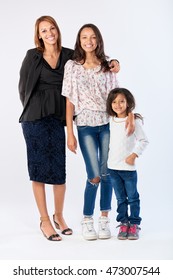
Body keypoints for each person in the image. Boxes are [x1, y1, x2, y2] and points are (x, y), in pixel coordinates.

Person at [18, 16, 120, 241]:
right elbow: (23, 87)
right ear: (39, 35)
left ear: (57, 30)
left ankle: (59, 216)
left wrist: (115, 63)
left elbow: (91, 58)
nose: (49, 33)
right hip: (35, 118)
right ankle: (45, 220)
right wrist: (33, 109)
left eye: (52, 28)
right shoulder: (32, 56)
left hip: (57, 118)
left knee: (58, 170)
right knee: (38, 170)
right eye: (44, 31)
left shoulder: (67, 56)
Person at [62, 23, 134, 240]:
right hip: (84, 125)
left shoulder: (106, 65)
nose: (89, 41)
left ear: (98, 40)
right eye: (84, 37)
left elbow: (117, 96)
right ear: (79, 40)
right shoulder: (72, 66)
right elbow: (69, 100)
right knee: (93, 175)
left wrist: (129, 115)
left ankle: (104, 219)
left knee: (106, 174)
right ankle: (87, 219)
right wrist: (70, 133)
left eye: (92, 37)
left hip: (107, 124)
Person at [106, 87, 149, 240]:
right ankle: (123, 223)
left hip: (128, 169)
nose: (118, 105)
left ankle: (135, 224)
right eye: (115, 102)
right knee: (120, 198)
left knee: (132, 197)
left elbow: (144, 140)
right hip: (113, 168)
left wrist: (134, 155)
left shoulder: (133, 120)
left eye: (122, 101)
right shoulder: (110, 120)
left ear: (128, 102)